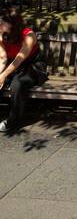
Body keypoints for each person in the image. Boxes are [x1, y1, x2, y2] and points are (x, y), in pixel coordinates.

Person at [0, 8, 46, 136]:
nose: (0, 23)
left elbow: (19, 59)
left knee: (17, 83)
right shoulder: (2, 33)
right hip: (12, 66)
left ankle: (13, 120)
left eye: (3, 21)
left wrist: (4, 75)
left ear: (12, 24)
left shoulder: (28, 35)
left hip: (32, 67)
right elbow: (3, 58)